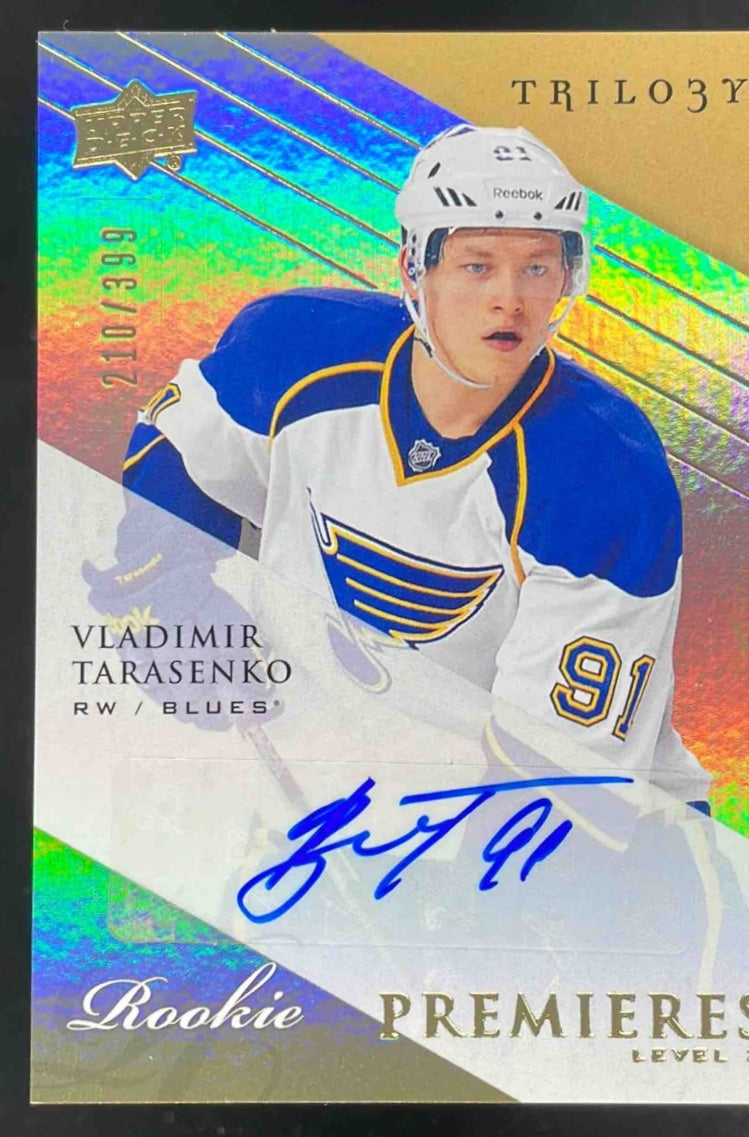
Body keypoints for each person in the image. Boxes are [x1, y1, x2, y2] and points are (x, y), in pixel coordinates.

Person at [100, 123, 710, 806]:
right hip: (329, 780)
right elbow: (179, 444)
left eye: (537, 267)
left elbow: (560, 785)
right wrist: (166, 590)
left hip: (589, 829)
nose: (509, 298)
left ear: (568, 276)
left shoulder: (603, 474)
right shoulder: (296, 349)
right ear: (414, 270)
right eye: (477, 265)